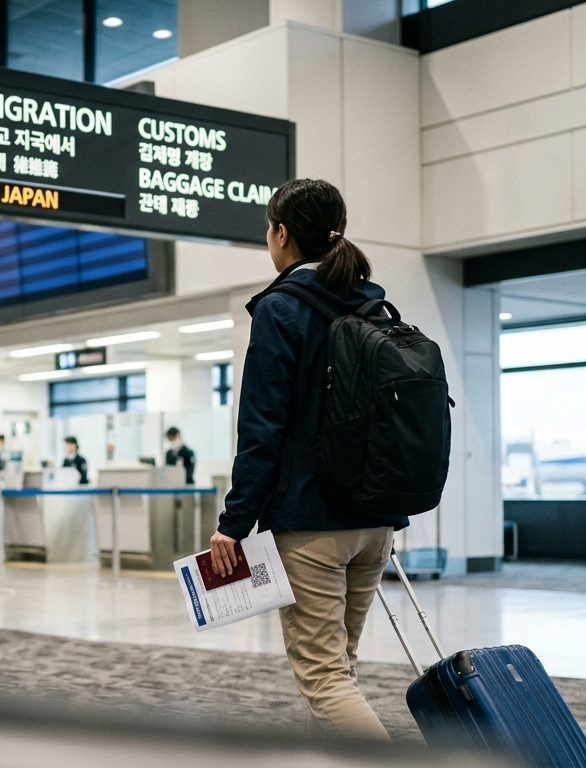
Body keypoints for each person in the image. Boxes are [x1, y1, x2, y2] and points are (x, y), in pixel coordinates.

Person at [208, 179, 407, 740]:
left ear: (282, 234)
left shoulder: (281, 308)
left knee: (325, 680)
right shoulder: (372, 303)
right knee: (339, 668)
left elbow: (262, 427)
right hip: (375, 522)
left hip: (312, 524)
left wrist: (234, 523)